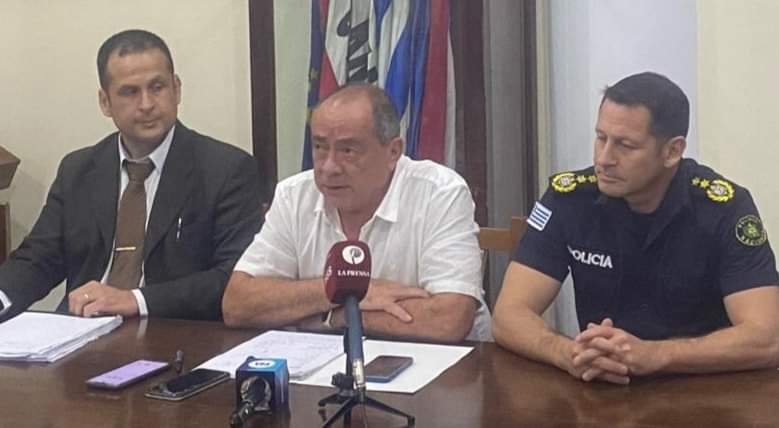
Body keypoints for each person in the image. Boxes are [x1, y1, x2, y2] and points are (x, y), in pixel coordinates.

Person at [493, 72, 779, 383]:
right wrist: (568, 353)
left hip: (704, 390)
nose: (604, 159)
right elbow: (508, 315)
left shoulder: (723, 208)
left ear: (672, 151)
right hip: (601, 387)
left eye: (625, 145)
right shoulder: (570, 199)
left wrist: (655, 355)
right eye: (600, 138)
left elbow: (767, 338)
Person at [0, 29, 262, 322]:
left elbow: (232, 278)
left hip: (172, 331)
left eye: (157, 87)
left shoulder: (226, 170)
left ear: (176, 89)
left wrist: (135, 300)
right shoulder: (79, 169)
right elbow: (37, 259)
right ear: (105, 102)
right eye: (130, 92)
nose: (147, 104)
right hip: (82, 330)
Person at [222, 84, 490, 342]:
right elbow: (238, 305)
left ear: (393, 152)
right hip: (324, 362)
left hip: (446, 366)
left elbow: (448, 318)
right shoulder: (294, 195)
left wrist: (337, 316)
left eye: (348, 151)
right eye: (320, 147)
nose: (329, 167)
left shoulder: (439, 193)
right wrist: (341, 289)